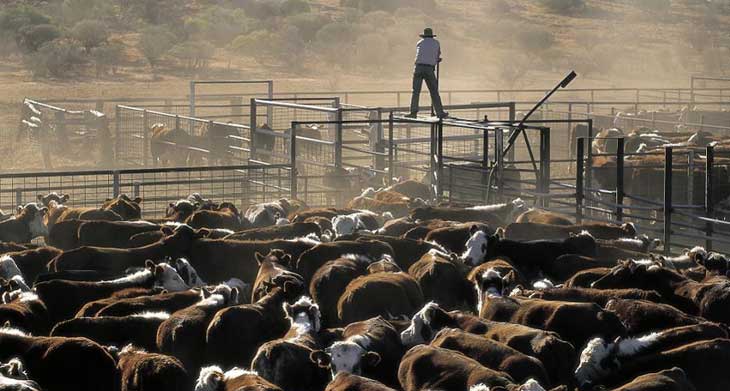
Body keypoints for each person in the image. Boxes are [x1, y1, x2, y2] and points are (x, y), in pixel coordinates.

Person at [407, 28, 448, 119]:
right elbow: (437, 56)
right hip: (429, 69)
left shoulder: (419, 43)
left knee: (416, 91)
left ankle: (413, 112)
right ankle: (439, 112)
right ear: (432, 35)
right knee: (434, 91)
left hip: (418, 67)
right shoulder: (436, 43)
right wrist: (437, 60)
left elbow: (421, 54)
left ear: (424, 35)